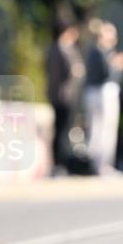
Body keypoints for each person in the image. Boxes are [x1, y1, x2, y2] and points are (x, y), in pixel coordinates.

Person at [84, 20, 123, 175]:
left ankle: (101, 165)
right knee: (104, 129)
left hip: (98, 91)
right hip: (103, 91)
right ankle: (102, 166)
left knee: (101, 129)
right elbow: (107, 73)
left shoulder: (100, 51)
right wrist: (117, 64)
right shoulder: (100, 52)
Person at [45, 15, 85, 175]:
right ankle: (58, 164)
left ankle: (61, 163)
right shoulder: (59, 49)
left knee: (64, 129)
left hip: (66, 95)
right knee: (60, 130)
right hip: (61, 95)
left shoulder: (66, 48)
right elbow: (63, 73)